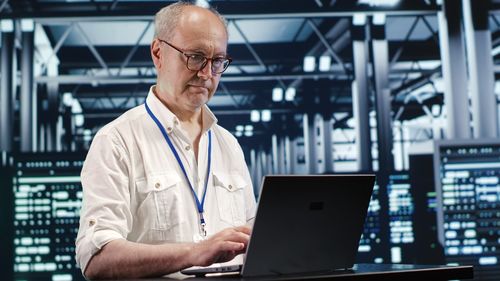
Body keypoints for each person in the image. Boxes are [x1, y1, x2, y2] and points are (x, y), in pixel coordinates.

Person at [75, 1, 256, 279]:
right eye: (195, 57)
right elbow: (96, 258)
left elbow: (252, 239)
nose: (207, 74)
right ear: (158, 53)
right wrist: (195, 252)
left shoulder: (228, 145)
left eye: (218, 61)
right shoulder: (117, 141)